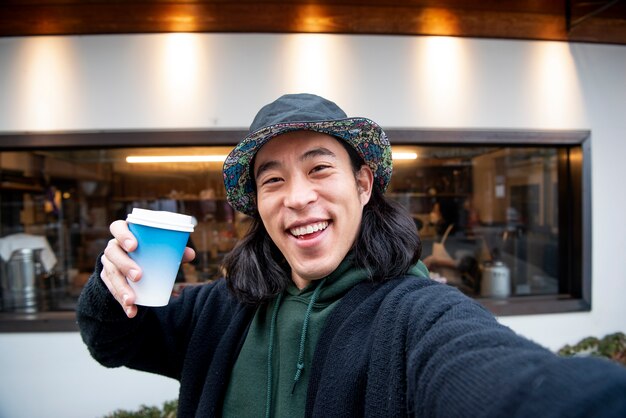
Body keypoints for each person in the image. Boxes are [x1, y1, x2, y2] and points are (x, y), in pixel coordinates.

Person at [77, 93, 626, 417]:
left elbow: (502, 383)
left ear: (363, 184)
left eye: (319, 169)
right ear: (259, 206)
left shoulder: (415, 317)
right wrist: (113, 282)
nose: (297, 197)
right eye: (273, 180)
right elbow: (111, 340)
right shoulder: (220, 310)